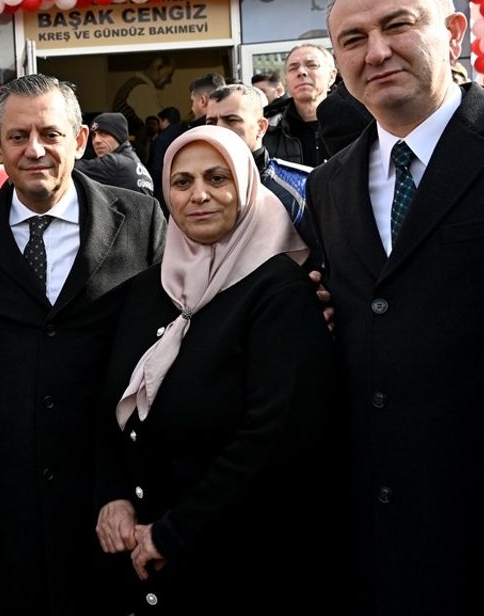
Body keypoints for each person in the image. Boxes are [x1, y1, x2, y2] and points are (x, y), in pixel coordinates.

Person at [0, 74, 165, 615]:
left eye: (50, 133)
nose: (34, 150)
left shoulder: (140, 217)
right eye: (17, 137)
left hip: (108, 499)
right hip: (7, 507)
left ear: (82, 139)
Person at [96, 125, 338, 614]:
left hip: (240, 560)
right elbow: (113, 406)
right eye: (182, 183)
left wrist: (174, 531)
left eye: (217, 178)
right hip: (153, 560)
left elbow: (275, 437)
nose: (199, 195)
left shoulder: (280, 292)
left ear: (246, 187)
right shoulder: (149, 291)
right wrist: (114, 495)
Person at [308, 0, 477, 616]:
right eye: (352, 39)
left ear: (454, 32)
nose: (375, 52)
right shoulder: (328, 185)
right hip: (376, 530)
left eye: (397, 25)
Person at [204, 84, 309, 227]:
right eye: (211, 122)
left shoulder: (298, 189)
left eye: (231, 120)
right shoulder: (196, 187)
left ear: (261, 127)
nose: (219, 128)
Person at [264, 44, 337, 167]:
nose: (301, 72)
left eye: (312, 65)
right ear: (285, 81)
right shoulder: (269, 129)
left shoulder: (356, 123)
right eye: (293, 68)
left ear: (331, 76)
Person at [74, 112, 154, 196]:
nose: (96, 140)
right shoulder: (138, 165)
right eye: (94, 135)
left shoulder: (114, 163)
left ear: (118, 136)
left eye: (103, 134)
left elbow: (69, 167)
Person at [112, 54, 175, 145]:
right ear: (158, 68)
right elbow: (161, 126)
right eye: (169, 75)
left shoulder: (133, 84)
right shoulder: (142, 90)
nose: (169, 80)